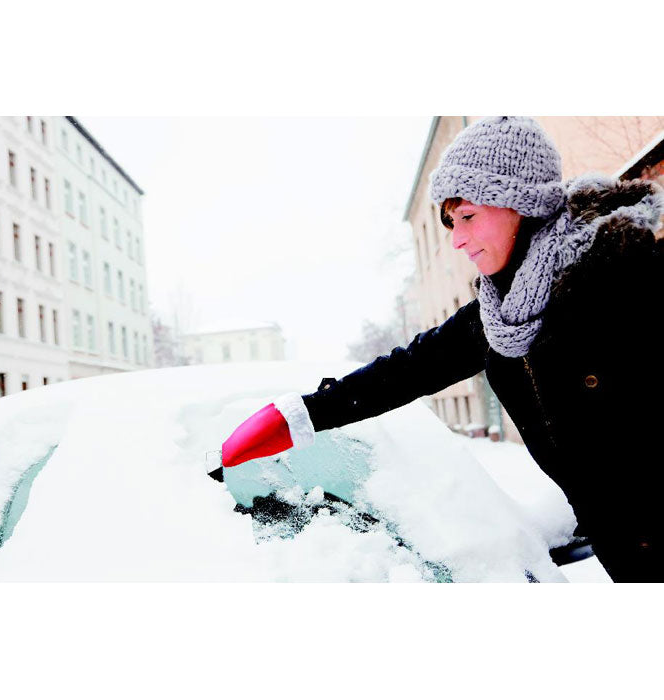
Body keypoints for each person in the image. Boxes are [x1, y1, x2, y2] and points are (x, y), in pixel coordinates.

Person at [221, 116, 664, 583]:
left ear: (523, 203)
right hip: (629, 557)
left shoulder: (633, 277)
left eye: (468, 217)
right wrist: (300, 415)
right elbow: (407, 369)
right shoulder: (499, 314)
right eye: (451, 223)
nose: (456, 240)